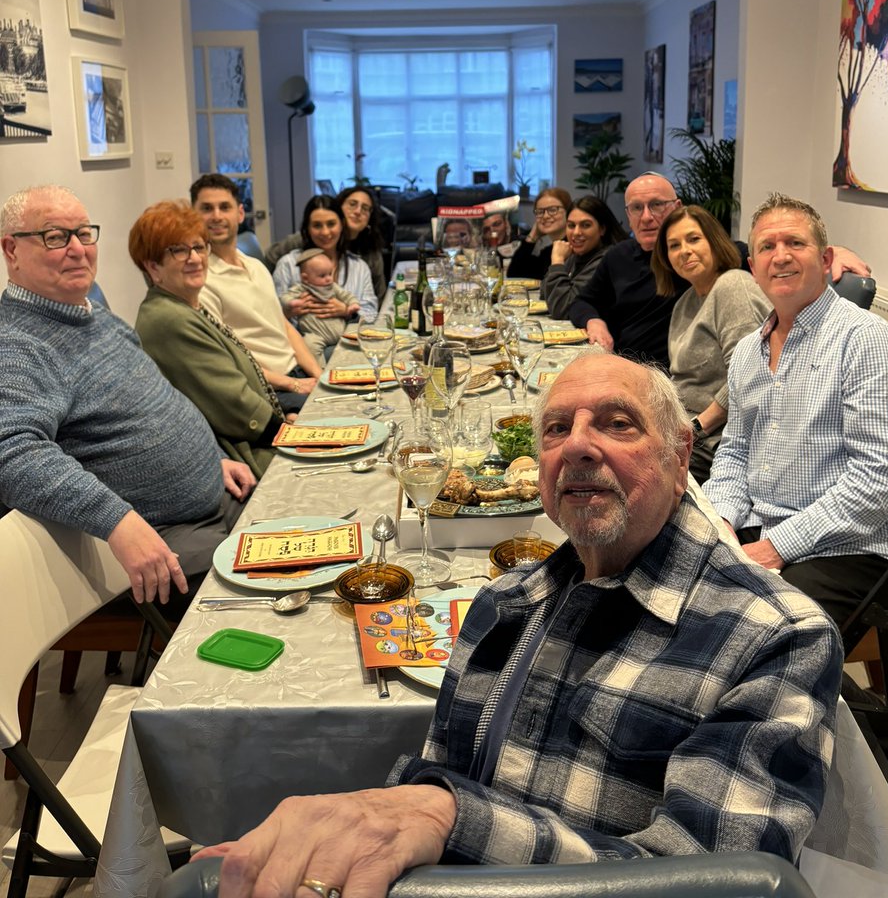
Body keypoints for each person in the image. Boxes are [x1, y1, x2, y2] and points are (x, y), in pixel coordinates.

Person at [195, 350, 842, 897]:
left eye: (618, 424)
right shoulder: (506, 602)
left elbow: (715, 885)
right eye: (557, 429)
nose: (580, 444)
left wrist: (449, 816)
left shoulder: (774, 636)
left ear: (681, 457)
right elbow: (452, 779)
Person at [0, 185, 256, 605]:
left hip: (218, 497)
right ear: (12, 250)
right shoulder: (17, 345)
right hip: (161, 538)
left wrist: (214, 457)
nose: (78, 249)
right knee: (290, 591)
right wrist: (117, 520)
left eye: (84, 233)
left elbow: (161, 398)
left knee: (325, 533)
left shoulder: (90, 311)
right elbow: (12, 453)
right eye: (54, 237)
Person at [704, 193, 888, 639]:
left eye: (795, 243)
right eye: (767, 247)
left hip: (849, 546)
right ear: (753, 267)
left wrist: (775, 547)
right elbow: (734, 453)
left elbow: (881, 477)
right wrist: (721, 523)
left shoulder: (865, 340)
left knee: (754, 638)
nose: (781, 256)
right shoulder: (749, 353)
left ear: (825, 258)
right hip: (762, 525)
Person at [570, 171, 871, 368]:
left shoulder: (720, 268)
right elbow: (583, 301)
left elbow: (768, 252)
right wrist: (595, 321)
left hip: (681, 399)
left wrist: (829, 252)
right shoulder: (618, 257)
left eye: (657, 205)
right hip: (630, 371)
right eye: (637, 208)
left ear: (675, 206)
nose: (647, 216)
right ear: (627, 214)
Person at [130, 202, 292, 480]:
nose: (194, 258)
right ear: (152, 266)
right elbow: (235, 404)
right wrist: (294, 434)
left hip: (261, 436)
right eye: (178, 250)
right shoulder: (167, 319)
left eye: (199, 246)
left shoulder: (186, 306)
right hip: (246, 457)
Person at [650, 204, 769, 483]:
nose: (685, 251)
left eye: (694, 239)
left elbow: (751, 372)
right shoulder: (685, 303)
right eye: (674, 245)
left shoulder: (732, 285)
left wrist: (698, 426)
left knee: (634, 475)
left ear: (714, 242)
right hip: (684, 425)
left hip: (717, 439)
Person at [190, 173, 320, 413]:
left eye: (224, 207)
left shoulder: (256, 266)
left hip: (297, 375)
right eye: (207, 208)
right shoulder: (202, 281)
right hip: (267, 389)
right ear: (193, 216)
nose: (216, 216)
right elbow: (229, 362)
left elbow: (284, 326)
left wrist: (319, 375)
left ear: (239, 214)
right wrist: (293, 384)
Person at [267, 186, 389, 304]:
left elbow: (376, 301)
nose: (325, 233)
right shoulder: (291, 257)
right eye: (352, 204)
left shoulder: (364, 261)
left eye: (365, 208)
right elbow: (276, 308)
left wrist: (348, 312)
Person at [273, 195, 377, 323]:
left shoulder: (360, 267)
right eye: (317, 225)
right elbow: (272, 314)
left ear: (342, 225)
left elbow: (372, 314)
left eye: (331, 224)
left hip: (349, 340)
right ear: (307, 229)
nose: (325, 232)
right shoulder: (287, 264)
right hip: (302, 340)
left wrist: (347, 311)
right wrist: (287, 312)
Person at [541, 195, 626, 320]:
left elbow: (562, 309)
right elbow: (545, 294)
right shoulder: (577, 253)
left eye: (585, 225)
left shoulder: (608, 259)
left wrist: (557, 261)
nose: (576, 233)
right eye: (571, 225)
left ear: (602, 229)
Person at [279, 248, 361, 365]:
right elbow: (285, 297)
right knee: (309, 346)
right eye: (322, 275)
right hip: (316, 335)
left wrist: (353, 304)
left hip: (342, 331)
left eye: (330, 273)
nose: (329, 278)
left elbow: (346, 295)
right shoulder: (302, 289)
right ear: (306, 278)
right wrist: (292, 302)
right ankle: (320, 370)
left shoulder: (332, 287)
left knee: (359, 335)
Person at [506, 186, 571, 280]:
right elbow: (514, 274)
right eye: (540, 212)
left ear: (568, 212)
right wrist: (532, 235)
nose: (545, 216)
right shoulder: (548, 252)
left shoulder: (574, 248)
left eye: (553, 210)